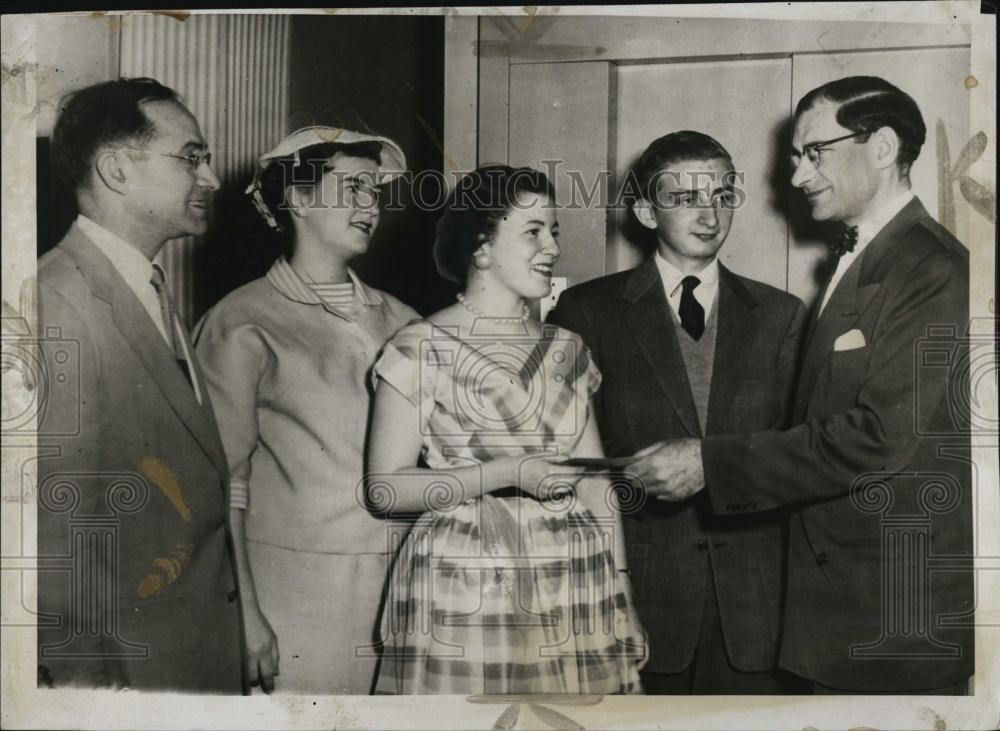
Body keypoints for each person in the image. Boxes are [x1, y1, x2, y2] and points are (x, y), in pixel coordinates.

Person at [629, 76, 973, 694]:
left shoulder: (932, 268)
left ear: (883, 147)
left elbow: (880, 436)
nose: (796, 176)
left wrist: (712, 463)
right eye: (795, 157)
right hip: (842, 613)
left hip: (887, 623)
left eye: (815, 152)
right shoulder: (872, 259)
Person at [367, 165, 646, 694]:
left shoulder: (567, 348)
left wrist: (622, 594)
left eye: (555, 231)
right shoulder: (418, 346)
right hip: (467, 579)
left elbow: (594, 481)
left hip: (574, 579)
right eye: (533, 231)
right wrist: (507, 472)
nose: (552, 247)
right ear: (482, 249)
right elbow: (385, 489)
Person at [548, 131, 807, 693]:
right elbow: (567, 462)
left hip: (755, 611)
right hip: (637, 599)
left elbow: (798, 455)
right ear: (645, 210)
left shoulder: (782, 316)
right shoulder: (585, 311)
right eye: (686, 198)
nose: (709, 214)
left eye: (721, 195)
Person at [194, 126, 418, 694]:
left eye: (375, 191)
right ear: (298, 198)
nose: (371, 205)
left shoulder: (405, 319)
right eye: (354, 188)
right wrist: (244, 613)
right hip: (294, 598)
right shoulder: (241, 322)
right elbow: (221, 483)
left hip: (404, 588)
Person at [35, 77, 242, 691]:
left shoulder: (143, 285)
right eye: (191, 157)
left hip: (188, 656)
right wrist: (90, 698)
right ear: (118, 169)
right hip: (132, 680)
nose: (210, 178)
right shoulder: (53, 305)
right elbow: (54, 535)